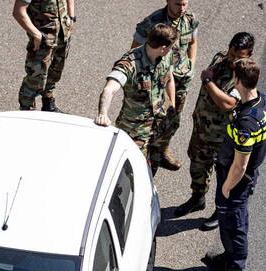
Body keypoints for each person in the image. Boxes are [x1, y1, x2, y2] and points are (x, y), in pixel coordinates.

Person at [203, 57, 266, 271]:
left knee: (234, 227)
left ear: (237, 80)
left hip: (236, 182)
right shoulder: (264, 102)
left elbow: (240, 164)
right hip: (241, 177)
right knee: (229, 224)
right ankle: (228, 258)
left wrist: (227, 187)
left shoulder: (247, 122)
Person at [175, 32, 255, 225]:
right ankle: (197, 198)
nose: (233, 59)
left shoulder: (244, 75)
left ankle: (221, 211)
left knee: (224, 175)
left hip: (222, 136)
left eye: (239, 57)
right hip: (202, 127)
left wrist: (208, 81)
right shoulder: (220, 58)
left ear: (249, 55)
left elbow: (228, 103)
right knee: (198, 165)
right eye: (232, 53)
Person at [95, 23, 178, 162]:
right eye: (171, 46)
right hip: (136, 129)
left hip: (161, 122)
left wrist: (172, 106)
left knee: (155, 159)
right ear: (163, 48)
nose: (172, 49)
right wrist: (103, 114)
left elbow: (169, 78)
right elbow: (109, 89)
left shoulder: (166, 56)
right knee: (132, 164)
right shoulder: (130, 63)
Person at [132, 0, 199, 171]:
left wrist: (191, 65)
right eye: (177, 4)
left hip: (181, 83)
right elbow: (135, 52)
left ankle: (162, 151)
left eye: (185, 4)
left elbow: (192, 42)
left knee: (172, 120)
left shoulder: (190, 19)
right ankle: (145, 161)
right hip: (159, 84)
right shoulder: (153, 23)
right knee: (152, 123)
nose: (182, 9)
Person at [13, 0, 75, 112]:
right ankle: (27, 110)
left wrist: (71, 17)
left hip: (63, 34)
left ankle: (48, 104)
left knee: (55, 72)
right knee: (35, 78)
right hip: (43, 40)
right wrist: (36, 34)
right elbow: (18, 11)